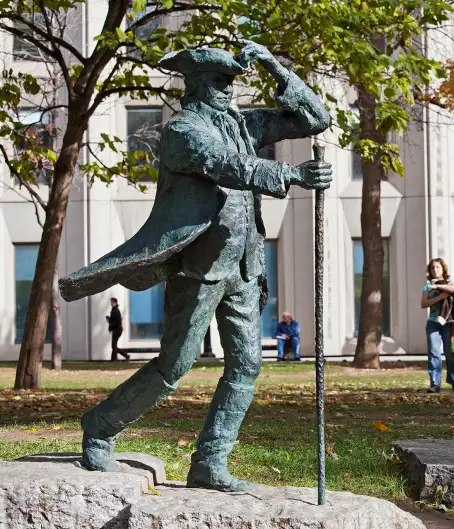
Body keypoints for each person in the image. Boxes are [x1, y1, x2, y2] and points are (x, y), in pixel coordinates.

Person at [58, 43, 331, 492]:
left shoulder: (245, 125)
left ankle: (210, 462)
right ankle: (101, 425)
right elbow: (224, 165)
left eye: (232, 82)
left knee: (246, 367)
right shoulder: (182, 131)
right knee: (174, 366)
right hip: (200, 268)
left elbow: (314, 118)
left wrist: (272, 65)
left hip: (244, 265)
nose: (229, 90)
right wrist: (289, 175)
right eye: (221, 82)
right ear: (198, 85)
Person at [421, 258, 454, 393]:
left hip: (448, 323)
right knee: (434, 352)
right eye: (432, 268)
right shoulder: (427, 286)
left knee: (449, 353)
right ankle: (435, 383)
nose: (435, 270)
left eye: (437, 267)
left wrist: (438, 286)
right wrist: (439, 297)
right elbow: (424, 304)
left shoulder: (449, 283)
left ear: (443, 269)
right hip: (433, 323)